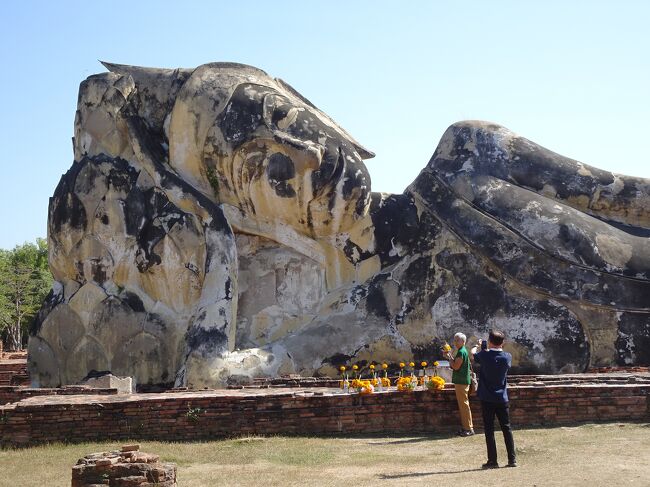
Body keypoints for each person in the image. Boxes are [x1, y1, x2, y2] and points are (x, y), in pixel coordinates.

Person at [472, 330, 517, 468]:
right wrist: (488, 349)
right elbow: (497, 354)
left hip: (487, 398)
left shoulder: (484, 355)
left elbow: (473, 355)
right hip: (502, 398)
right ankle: (512, 459)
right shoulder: (507, 357)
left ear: (490, 341)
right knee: (506, 428)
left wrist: (478, 345)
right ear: (502, 342)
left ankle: (493, 460)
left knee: (489, 429)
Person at [444, 332, 474, 437]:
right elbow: (456, 364)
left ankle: (468, 428)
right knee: (463, 405)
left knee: (464, 405)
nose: (455, 342)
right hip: (461, 381)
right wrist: (450, 356)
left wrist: (449, 358)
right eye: (455, 339)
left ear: (463, 341)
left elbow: (455, 367)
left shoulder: (461, 352)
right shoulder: (461, 351)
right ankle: (466, 427)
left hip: (462, 381)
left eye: (457, 340)